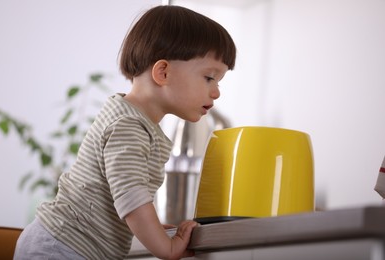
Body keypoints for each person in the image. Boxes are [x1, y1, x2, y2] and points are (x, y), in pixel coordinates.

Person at [14, 5, 236, 260]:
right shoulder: (129, 126)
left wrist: (151, 227)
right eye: (209, 77)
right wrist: (167, 247)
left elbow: (122, 196)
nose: (216, 92)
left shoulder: (132, 120)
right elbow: (131, 195)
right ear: (163, 72)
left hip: (64, 244)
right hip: (61, 246)